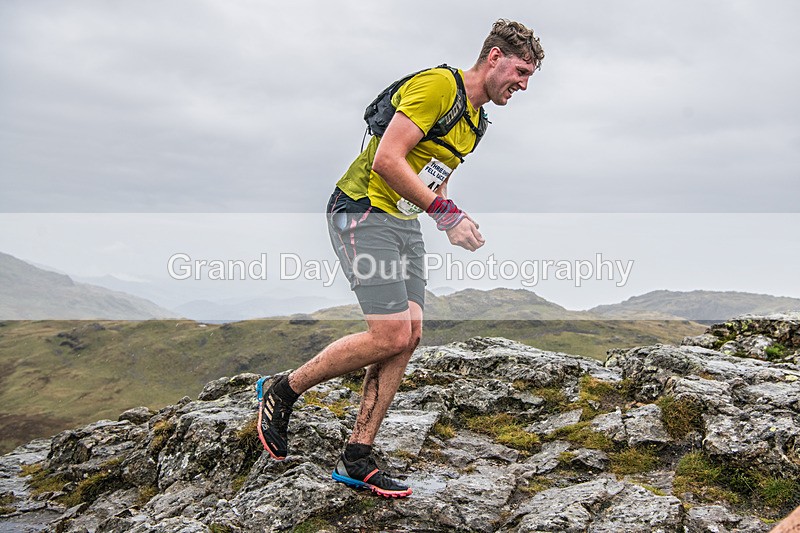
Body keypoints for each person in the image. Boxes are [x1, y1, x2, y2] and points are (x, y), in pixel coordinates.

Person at [256, 19, 544, 498]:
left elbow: (435, 172)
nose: (524, 85)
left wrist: (447, 216)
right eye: (521, 72)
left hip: (404, 221)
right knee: (388, 333)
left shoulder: (476, 121)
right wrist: (446, 214)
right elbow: (387, 159)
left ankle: (357, 455)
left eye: (529, 77)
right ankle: (283, 390)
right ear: (494, 57)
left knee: (408, 336)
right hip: (363, 210)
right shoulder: (439, 86)